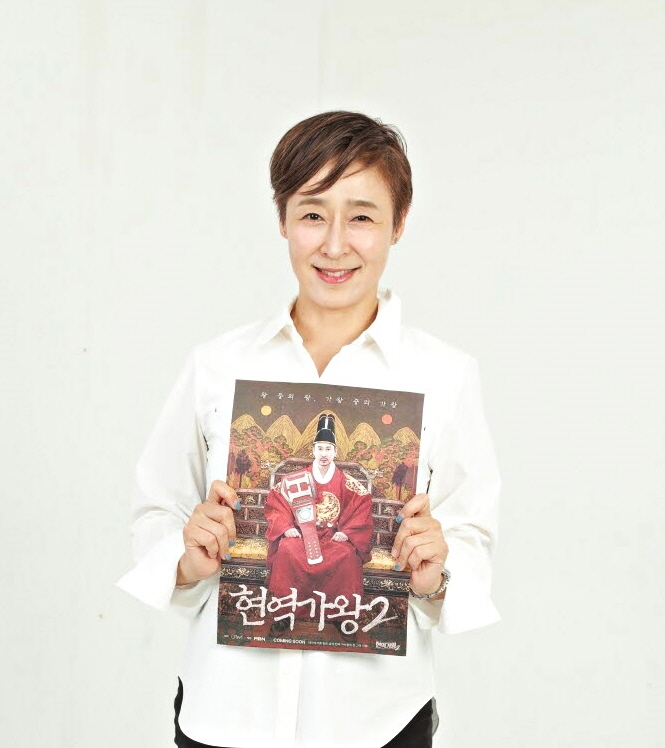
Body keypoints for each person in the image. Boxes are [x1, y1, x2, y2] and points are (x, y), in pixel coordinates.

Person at [118, 111, 501, 748]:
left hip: (378, 720)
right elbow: (157, 507)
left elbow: (470, 536)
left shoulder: (445, 375)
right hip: (226, 711)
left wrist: (435, 570)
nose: (334, 245)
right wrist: (186, 558)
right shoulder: (218, 366)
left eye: (362, 217)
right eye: (313, 214)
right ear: (282, 219)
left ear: (399, 224)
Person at [264, 413, 374, 630]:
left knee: (347, 556)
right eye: (320, 448)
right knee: (287, 550)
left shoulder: (346, 482)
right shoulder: (296, 479)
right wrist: (286, 527)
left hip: (332, 537)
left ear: (335, 452)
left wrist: (348, 532)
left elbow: (361, 507)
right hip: (301, 535)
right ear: (313, 451)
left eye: (328, 449)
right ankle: (284, 613)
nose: (324, 454)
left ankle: (342, 616)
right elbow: (277, 502)